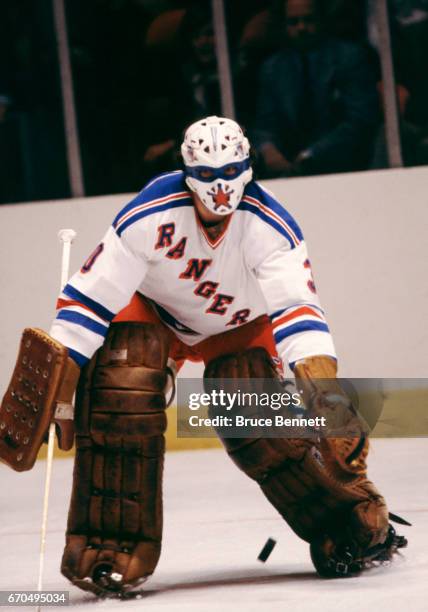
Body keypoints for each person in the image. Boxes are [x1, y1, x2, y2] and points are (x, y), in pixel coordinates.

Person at [0, 116, 406, 596]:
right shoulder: (148, 214)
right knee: (119, 388)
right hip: (154, 316)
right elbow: (89, 300)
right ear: (188, 171)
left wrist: (323, 390)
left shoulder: (270, 225)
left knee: (257, 417)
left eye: (232, 171)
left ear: (248, 167)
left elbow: (297, 308)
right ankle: (111, 540)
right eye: (209, 176)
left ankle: (351, 518)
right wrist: (64, 389)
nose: (221, 187)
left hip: (239, 330)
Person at [253, 0, 379, 177]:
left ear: (322, 19)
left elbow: (361, 120)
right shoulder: (273, 68)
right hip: (290, 170)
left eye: (309, 20)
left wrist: (312, 154)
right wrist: (267, 149)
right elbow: (266, 123)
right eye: (293, 22)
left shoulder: (350, 58)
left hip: (347, 165)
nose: (302, 27)